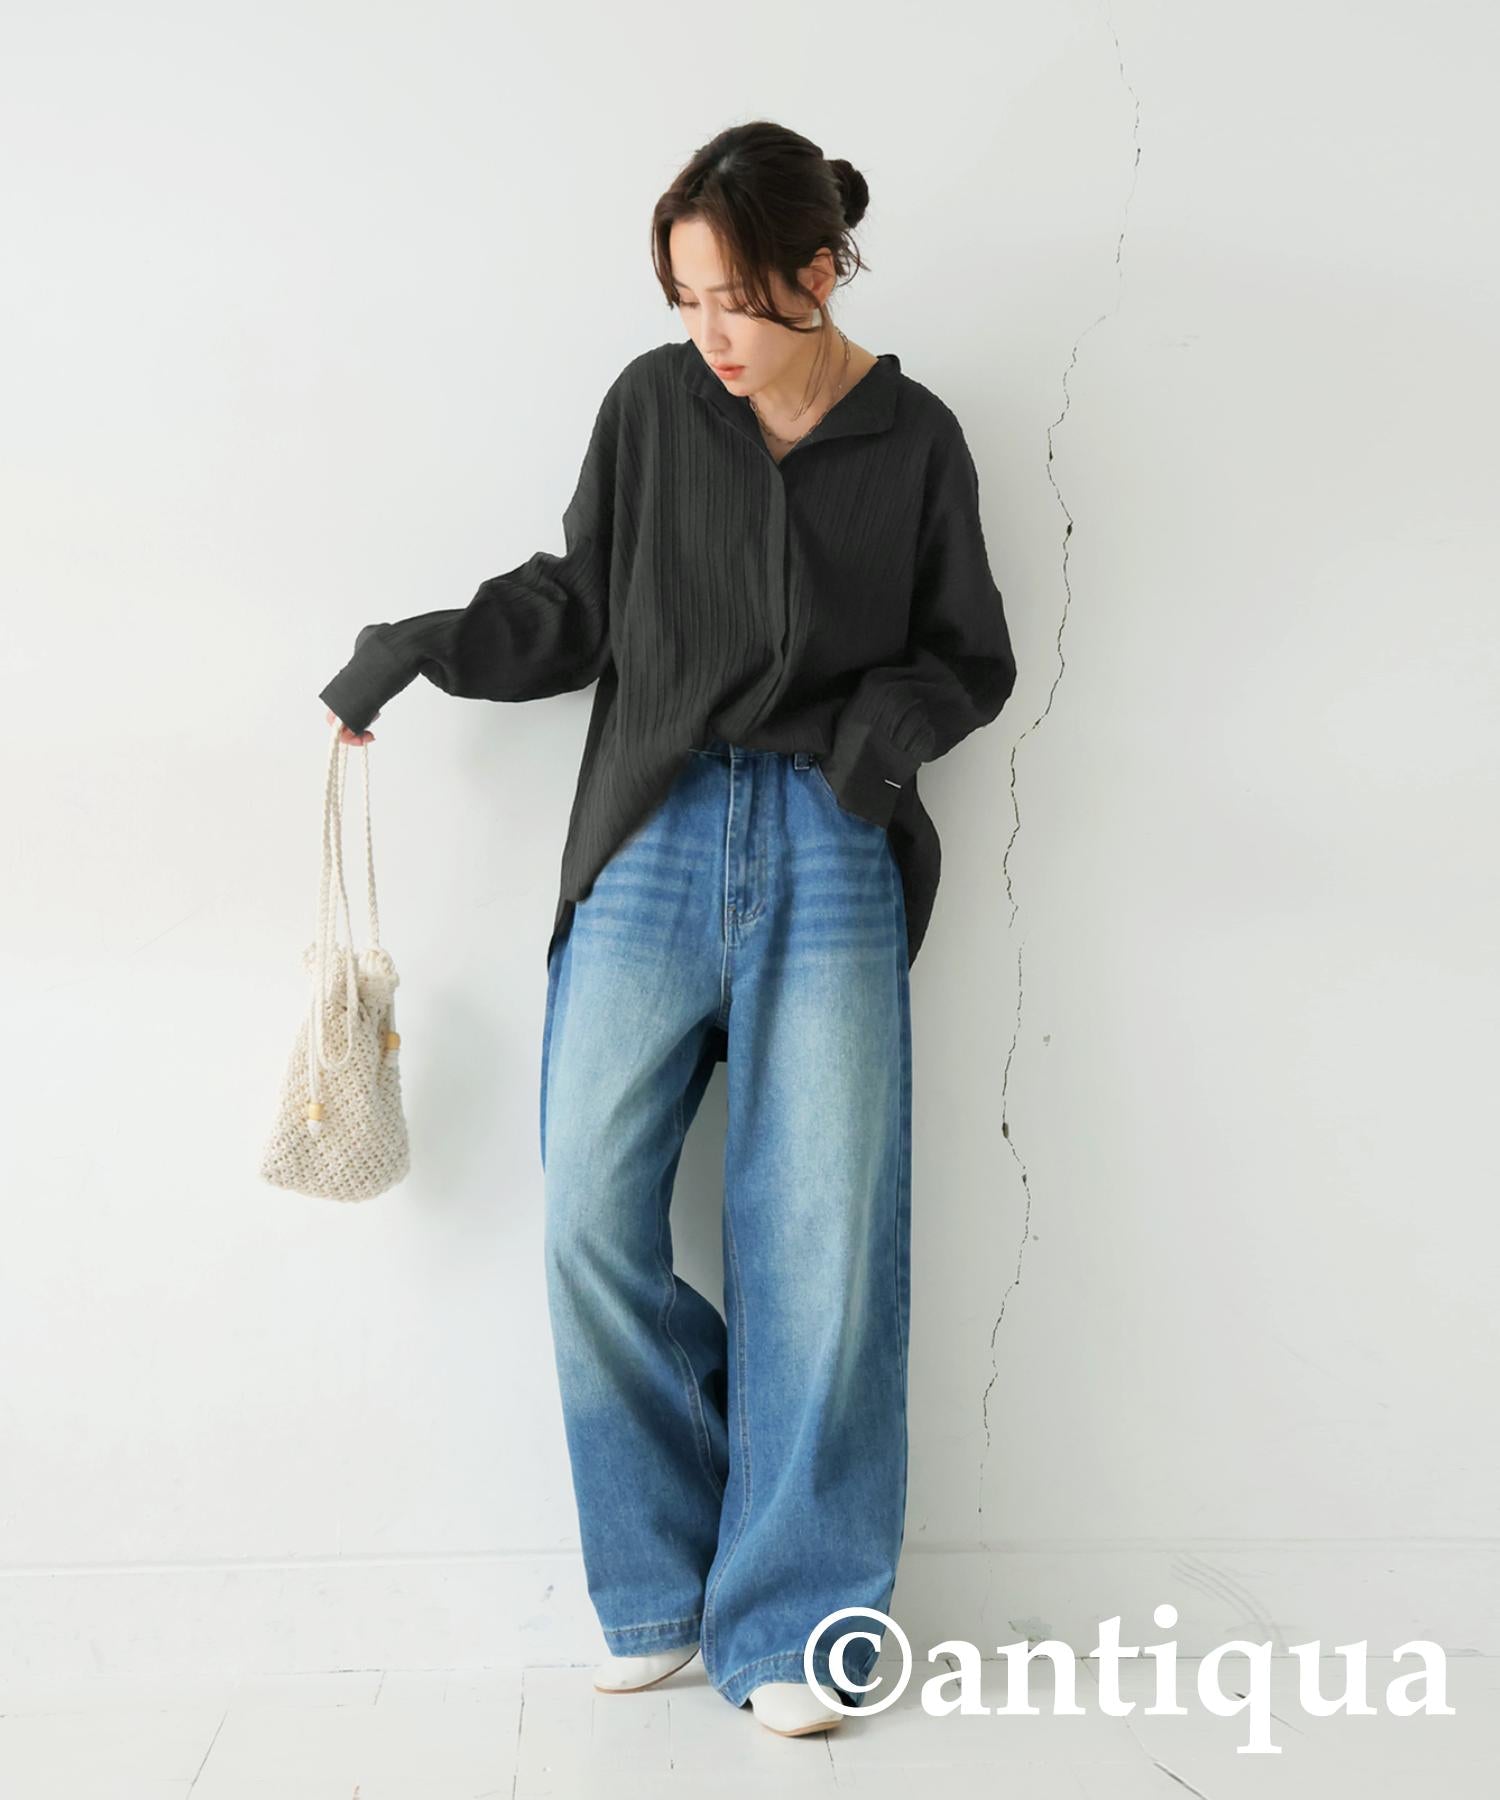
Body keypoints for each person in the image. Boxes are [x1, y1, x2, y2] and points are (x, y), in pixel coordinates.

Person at [321, 120, 1018, 1738]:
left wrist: (878, 744)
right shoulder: (652, 407)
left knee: (821, 1243)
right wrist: (419, 644)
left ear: (821, 271)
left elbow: (969, 657)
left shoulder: (915, 437)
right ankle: (660, 1582)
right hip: (648, 830)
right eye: (688, 297)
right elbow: (579, 602)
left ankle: (795, 1623)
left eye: (740, 301)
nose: (712, 333)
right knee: (589, 1219)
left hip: (832, 841)